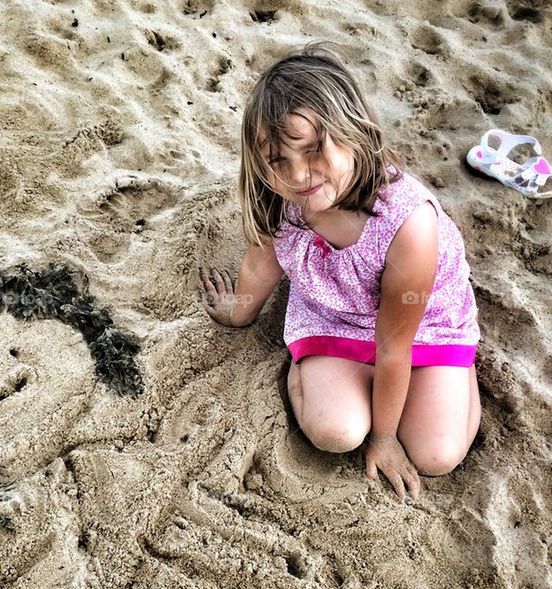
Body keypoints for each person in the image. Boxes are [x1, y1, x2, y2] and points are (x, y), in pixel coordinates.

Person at [200, 41, 481, 503]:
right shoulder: (282, 199)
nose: (298, 175)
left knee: (436, 455)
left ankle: (455, 375)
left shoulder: (408, 226)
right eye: (278, 161)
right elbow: (259, 262)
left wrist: (385, 439)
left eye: (313, 150)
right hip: (334, 315)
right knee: (336, 432)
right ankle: (307, 368)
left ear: (352, 132)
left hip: (420, 328)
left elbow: (395, 347)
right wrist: (237, 312)